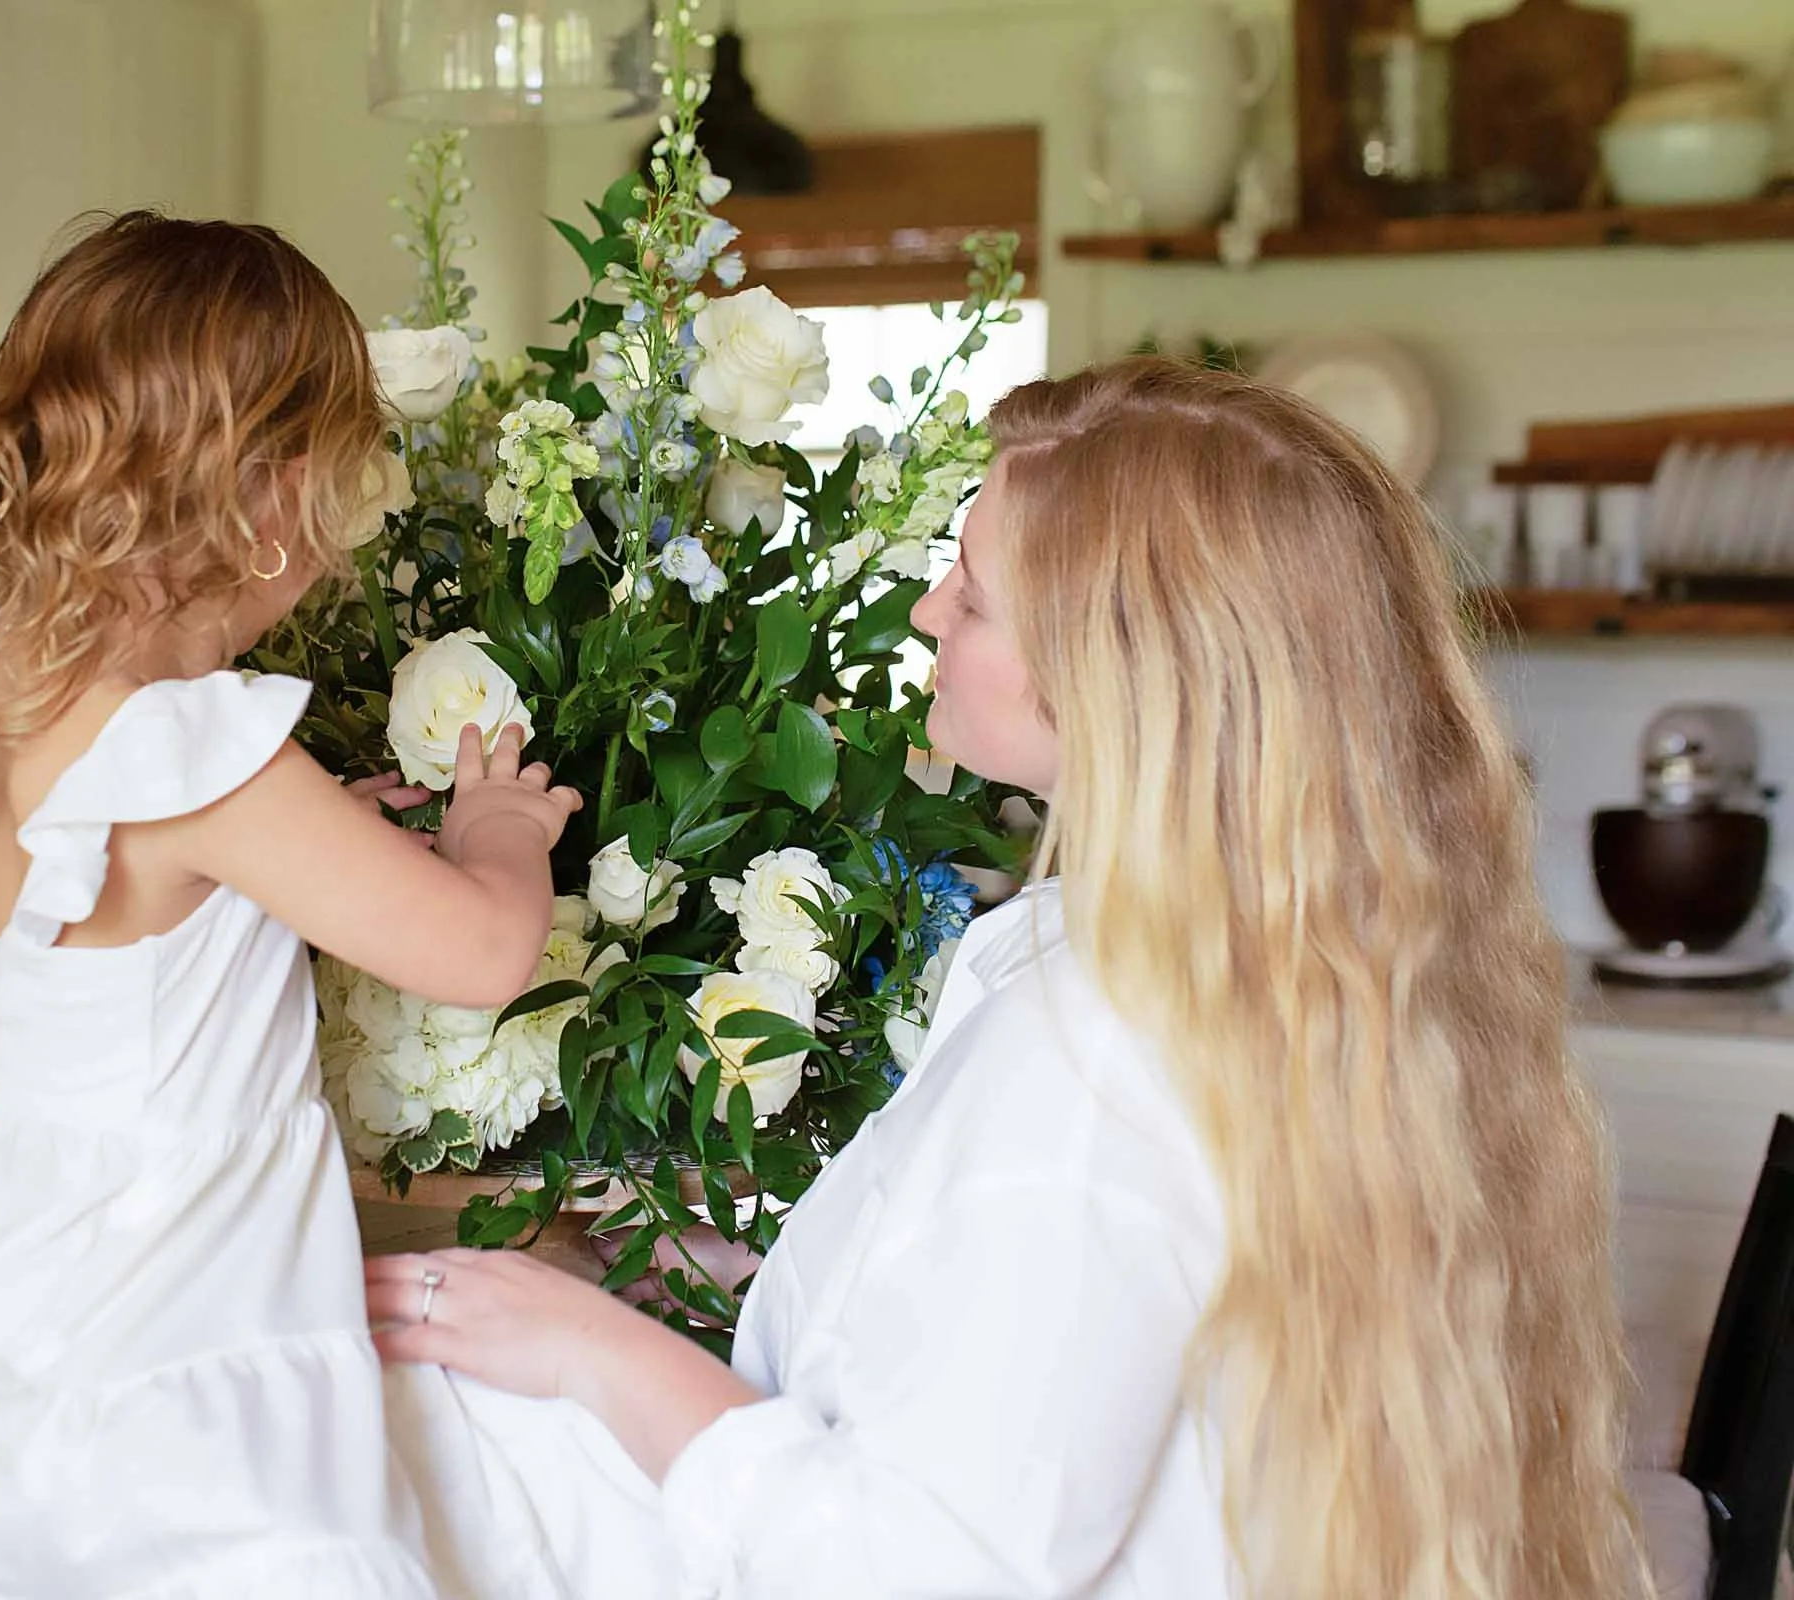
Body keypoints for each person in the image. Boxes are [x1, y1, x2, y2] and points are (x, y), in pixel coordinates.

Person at [372, 357, 1652, 1600]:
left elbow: (930, 1566)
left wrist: (584, 1348)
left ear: (1119, 668)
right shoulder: (1265, 967)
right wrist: (766, 1279)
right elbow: (1072, 1346)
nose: (928, 613)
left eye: (973, 597)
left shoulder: (1089, 1055)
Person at [0, 213, 580, 1598]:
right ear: (265, 494)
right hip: (176, 1305)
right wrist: (496, 831)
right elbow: (483, 952)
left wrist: (257, 869)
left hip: (9, 1280)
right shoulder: (202, 745)